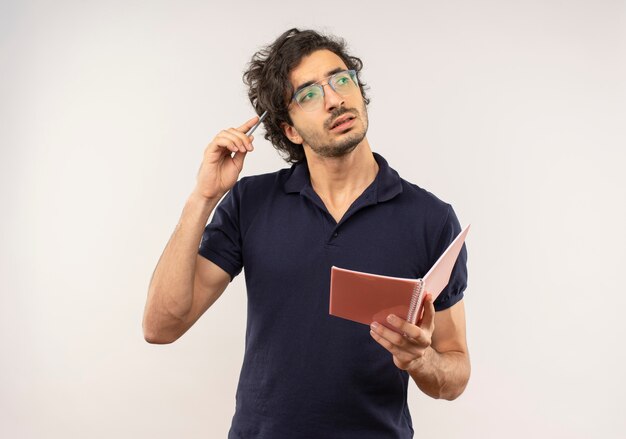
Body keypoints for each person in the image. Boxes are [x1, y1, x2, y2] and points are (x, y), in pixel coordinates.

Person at [143, 28, 470, 438]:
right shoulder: (251, 201)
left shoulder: (431, 219)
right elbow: (161, 327)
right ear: (291, 130)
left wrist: (420, 360)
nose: (335, 98)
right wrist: (203, 197)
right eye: (309, 95)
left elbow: (455, 372)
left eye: (341, 78)